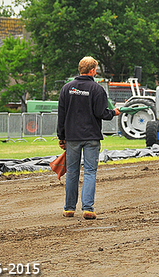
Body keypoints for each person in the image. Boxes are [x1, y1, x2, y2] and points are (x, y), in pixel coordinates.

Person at [57, 56, 120, 219]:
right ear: (92, 70)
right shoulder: (97, 89)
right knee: (90, 172)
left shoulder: (67, 88)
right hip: (91, 137)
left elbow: (61, 115)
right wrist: (114, 112)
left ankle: (69, 208)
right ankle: (88, 209)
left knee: (72, 172)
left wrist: (61, 137)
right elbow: (102, 113)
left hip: (72, 137)